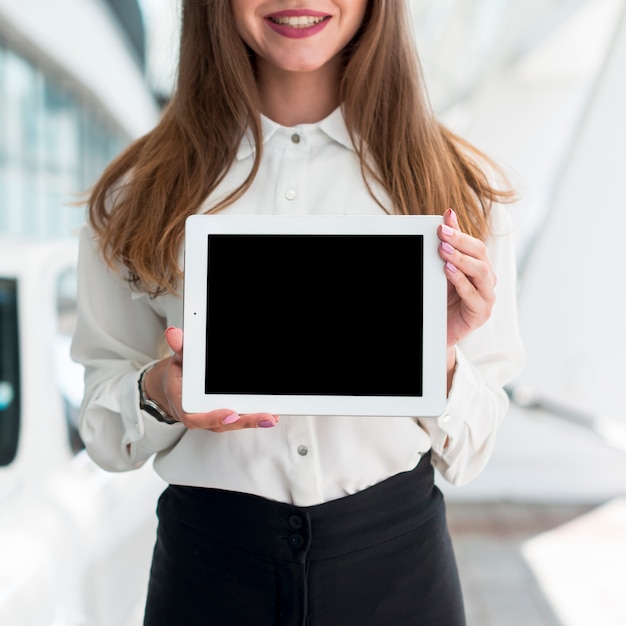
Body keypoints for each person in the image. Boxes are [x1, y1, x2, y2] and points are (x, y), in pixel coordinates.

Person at [71, 1, 525, 624]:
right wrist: (163, 395)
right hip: (209, 575)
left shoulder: (458, 187)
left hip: (397, 573)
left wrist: (437, 358)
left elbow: (472, 452)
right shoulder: (136, 192)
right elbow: (101, 425)